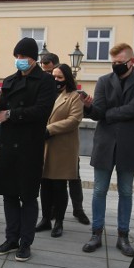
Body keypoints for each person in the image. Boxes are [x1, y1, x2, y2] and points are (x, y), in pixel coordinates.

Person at [0, 37, 55, 262]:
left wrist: (10, 114)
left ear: (33, 59)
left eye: (23, 57)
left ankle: (25, 242)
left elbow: (41, 111)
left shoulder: (45, 81)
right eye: (17, 57)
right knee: (8, 195)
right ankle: (11, 239)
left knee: (27, 196)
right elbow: (5, 107)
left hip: (29, 146)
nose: (19, 60)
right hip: (8, 145)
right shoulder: (10, 80)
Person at [81, 43, 134, 257]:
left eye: (120, 62)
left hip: (128, 143)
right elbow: (98, 112)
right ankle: (96, 233)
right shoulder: (103, 81)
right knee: (99, 190)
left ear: (132, 61)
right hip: (105, 143)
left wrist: (107, 114)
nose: (116, 66)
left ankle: (123, 235)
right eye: (114, 63)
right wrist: (89, 107)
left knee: (126, 191)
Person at [39, 63, 83, 238]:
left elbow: (74, 120)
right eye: (53, 76)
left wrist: (50, 129)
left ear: (67, 79)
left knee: (58, 186)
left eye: (59, 77)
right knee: (45, 185)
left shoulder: (74, 96)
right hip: (44, 147)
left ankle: (59, 221)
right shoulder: (47, 94)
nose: (55, 80)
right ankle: (45, 219)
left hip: (62, 148)